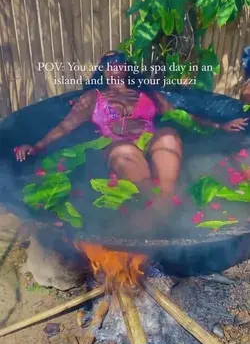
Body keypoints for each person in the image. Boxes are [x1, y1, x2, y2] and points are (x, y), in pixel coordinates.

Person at [14, 51, 249, 226]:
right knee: (126, 150)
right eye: (108, 62)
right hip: (115, 147)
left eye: (119, 60)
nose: (114, 64)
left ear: (127, 67)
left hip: (149, 142)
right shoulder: (93, 98)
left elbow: (183, 116)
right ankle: (159, 207)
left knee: (169, 135)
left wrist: (219, 124)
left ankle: (163, 205)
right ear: (103, 70)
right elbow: (65, 126)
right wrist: (36, 146)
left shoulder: (147, 94)